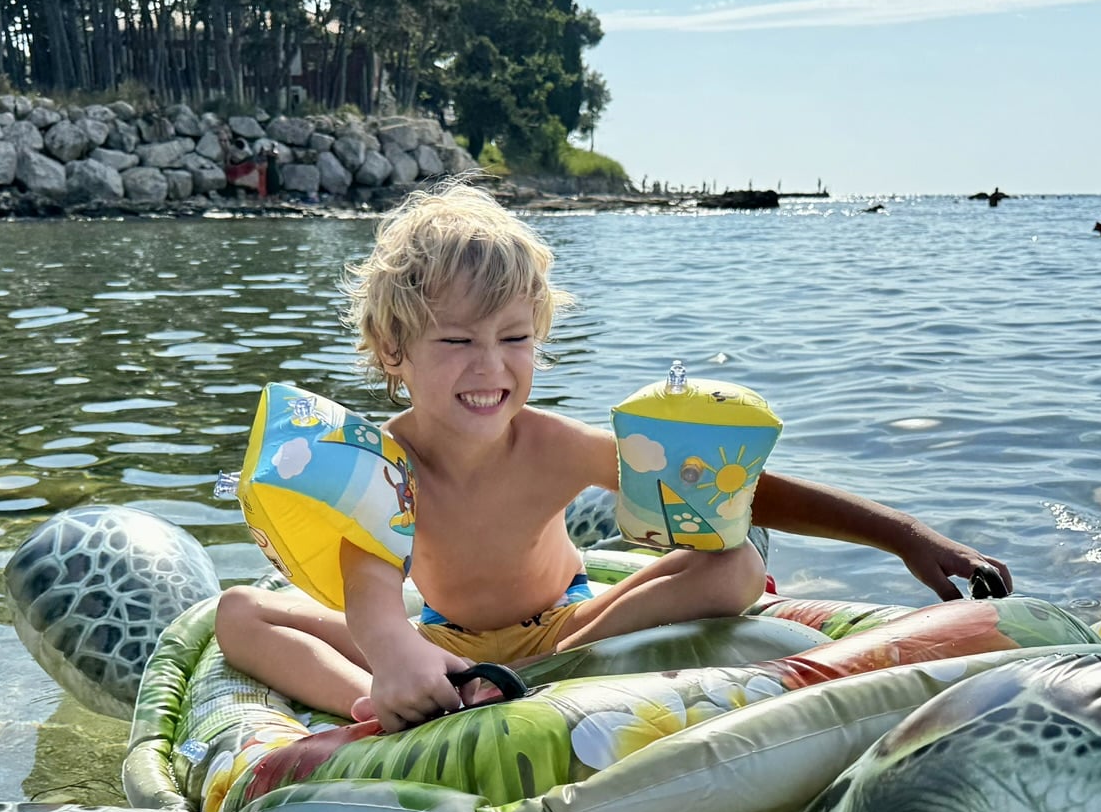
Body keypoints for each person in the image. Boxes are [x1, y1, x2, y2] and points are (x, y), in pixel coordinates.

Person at [214, 182, 1013, 732]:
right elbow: (374, 596)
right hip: (439, 644)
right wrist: (395, 662)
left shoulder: (552, 447)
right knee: (238, 613)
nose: (491, 369)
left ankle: (544, 678)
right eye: (456, 341)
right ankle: (392, 707)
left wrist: (902, 534)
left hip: (570, 630)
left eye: (516, 340)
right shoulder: (382, 469)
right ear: (394, 351)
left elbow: (733, 492)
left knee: (732, 563)